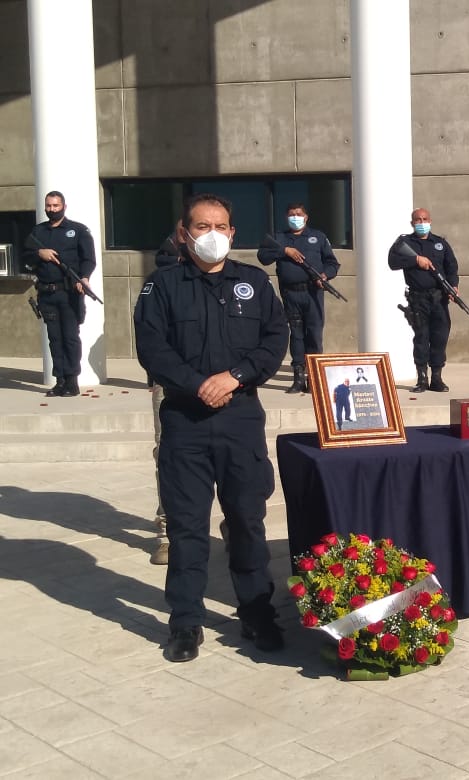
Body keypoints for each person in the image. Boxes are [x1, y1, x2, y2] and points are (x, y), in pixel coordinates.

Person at [134, 193, 289, 663]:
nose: (212, 235)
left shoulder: (254, 282)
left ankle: (257, 612)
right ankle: (185, 621)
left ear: (233, 233)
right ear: (184, 234)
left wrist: (235, 377)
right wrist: (198, 384)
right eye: (202, 227)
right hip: (186, 420)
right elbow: (152, 349)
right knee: (187, 526)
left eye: (221, 226)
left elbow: (274, 339)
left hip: (240, 418)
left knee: (246, 520)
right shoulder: (161, 286)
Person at [257, 203, 339, 394]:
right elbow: (263, 256)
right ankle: (299, 378)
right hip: (291, 294)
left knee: (314, 335)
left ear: (306, 217)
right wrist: (284, 251)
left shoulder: (318, 237)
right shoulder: (279, 238)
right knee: (296, 335)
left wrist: (325, 275)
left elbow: (332, 263)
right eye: (292, 214)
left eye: (299, 214)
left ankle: (315, 379)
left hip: (313, 293)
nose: (295, 217)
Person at [23, 191, 97, 397]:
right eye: (49, 205)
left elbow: (88, 259)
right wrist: (40, 253)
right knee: (54, 339)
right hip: (47, 293)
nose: (52, 209)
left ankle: (72, 382)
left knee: (70, 338)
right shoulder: (38, 231)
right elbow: (25, 256)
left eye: (56, 206)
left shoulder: (78, 230)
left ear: (64, 206)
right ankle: (60, 381)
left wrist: (84, 278)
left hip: (69, 293)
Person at [388, 207, 460, 393]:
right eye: (418, 220)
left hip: (439, 297)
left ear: (430, 221)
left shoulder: (440, 243)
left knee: (440, 337)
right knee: (421, 338)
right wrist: (415, 260)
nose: (422, 223)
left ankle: (436, 378)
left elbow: (451, 267)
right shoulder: (405, 242)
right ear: (412, 223)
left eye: (425, 219)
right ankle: (422, 379)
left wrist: (453, 286)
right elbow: (392, 262)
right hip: (418, 299)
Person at [148, 222, 184, 566]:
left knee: (233, 459)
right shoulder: (159, 282)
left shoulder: (236, 279)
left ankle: (234, 523)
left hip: (226, 385)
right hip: (171, 384)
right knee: (168, 455)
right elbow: (150, 338)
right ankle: (167, 531)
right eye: (200, 226)